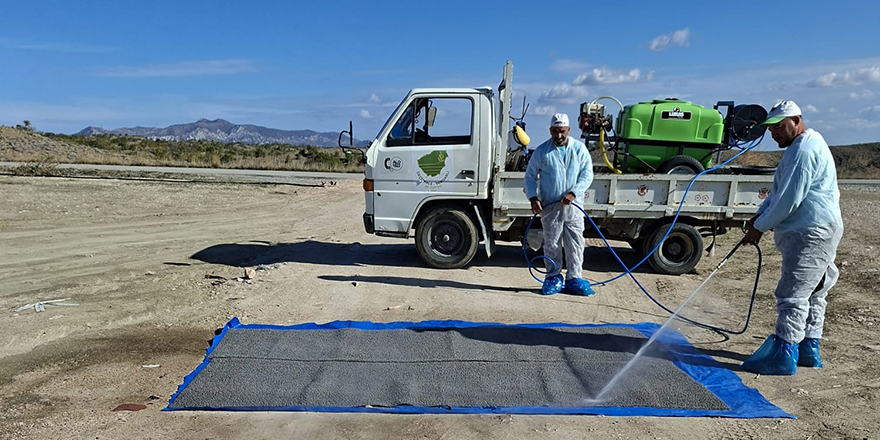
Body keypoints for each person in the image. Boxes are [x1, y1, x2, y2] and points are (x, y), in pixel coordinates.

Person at [741, 100, 843, 375]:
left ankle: (784, 354)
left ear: (796, 120)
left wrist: (759, 227)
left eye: (778, 127)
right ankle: (808, 349)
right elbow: (778, 194)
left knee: (793, 295)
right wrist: (759, 216)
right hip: (815, 229)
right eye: (771, 129)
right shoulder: (803, 146)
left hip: (810, 232)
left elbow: (788, 200)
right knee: (813, 292)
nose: (774, 133)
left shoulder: (804, 150)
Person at [524, 113, 595, 296]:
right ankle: (553, 277)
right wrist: (533, 198)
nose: (558, 136)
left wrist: (574, 193)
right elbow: (530, 176)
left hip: (574, 207)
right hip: (550, 207)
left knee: (575, 243)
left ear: (569, 130)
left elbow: (587, 175)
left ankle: (574, 278)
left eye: (562, 131)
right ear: (550, 131)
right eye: (555, 132)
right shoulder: (542, 151)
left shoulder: (579, 150)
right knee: (552, 243)